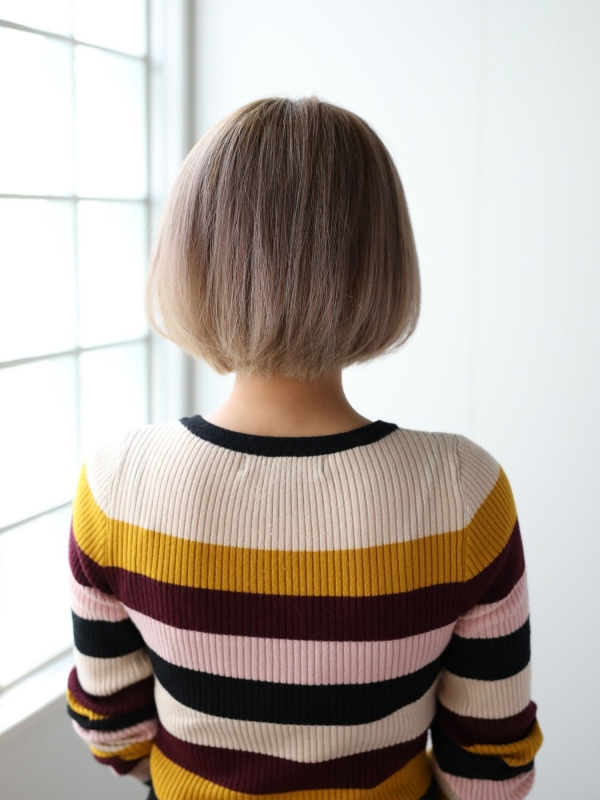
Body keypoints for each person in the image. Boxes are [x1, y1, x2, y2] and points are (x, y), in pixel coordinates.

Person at [66, 96, 543, 800]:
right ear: (382, 261)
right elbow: (489, 771)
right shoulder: (462, 490)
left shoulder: (116, 483)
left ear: (190, 257)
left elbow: (113, 732)